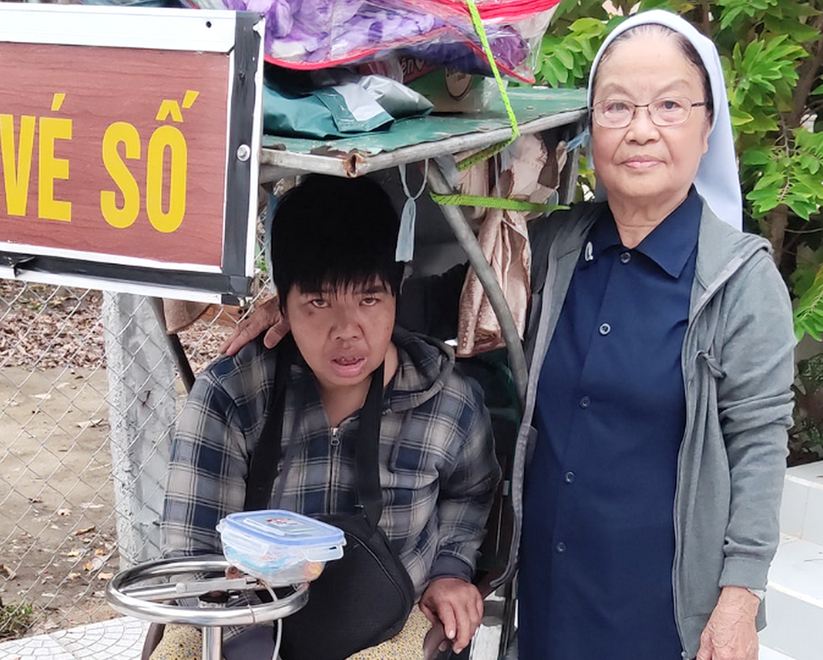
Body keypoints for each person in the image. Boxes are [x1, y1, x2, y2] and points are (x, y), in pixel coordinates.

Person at [220, 10, 795, 660]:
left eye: (668, 105)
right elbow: (434, 306)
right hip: (552, 593)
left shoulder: (739, 284)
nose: (641, 129)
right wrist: (306, 301)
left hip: (661, 606)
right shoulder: (552, 248)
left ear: (707, 122)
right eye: (616, 107)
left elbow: (757, 450)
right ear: (589, 128)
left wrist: (739, 601)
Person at [159, 174, 499, 659]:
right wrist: (246, 636)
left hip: (393, 630)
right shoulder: (231, 396)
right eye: (318, 302)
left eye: (368, 300)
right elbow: (191, 554)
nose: (347, 332)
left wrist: (449, 571)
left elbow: (472, 492)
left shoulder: (448, 402)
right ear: (281, 304)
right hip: (252, 623)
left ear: (397, 295)